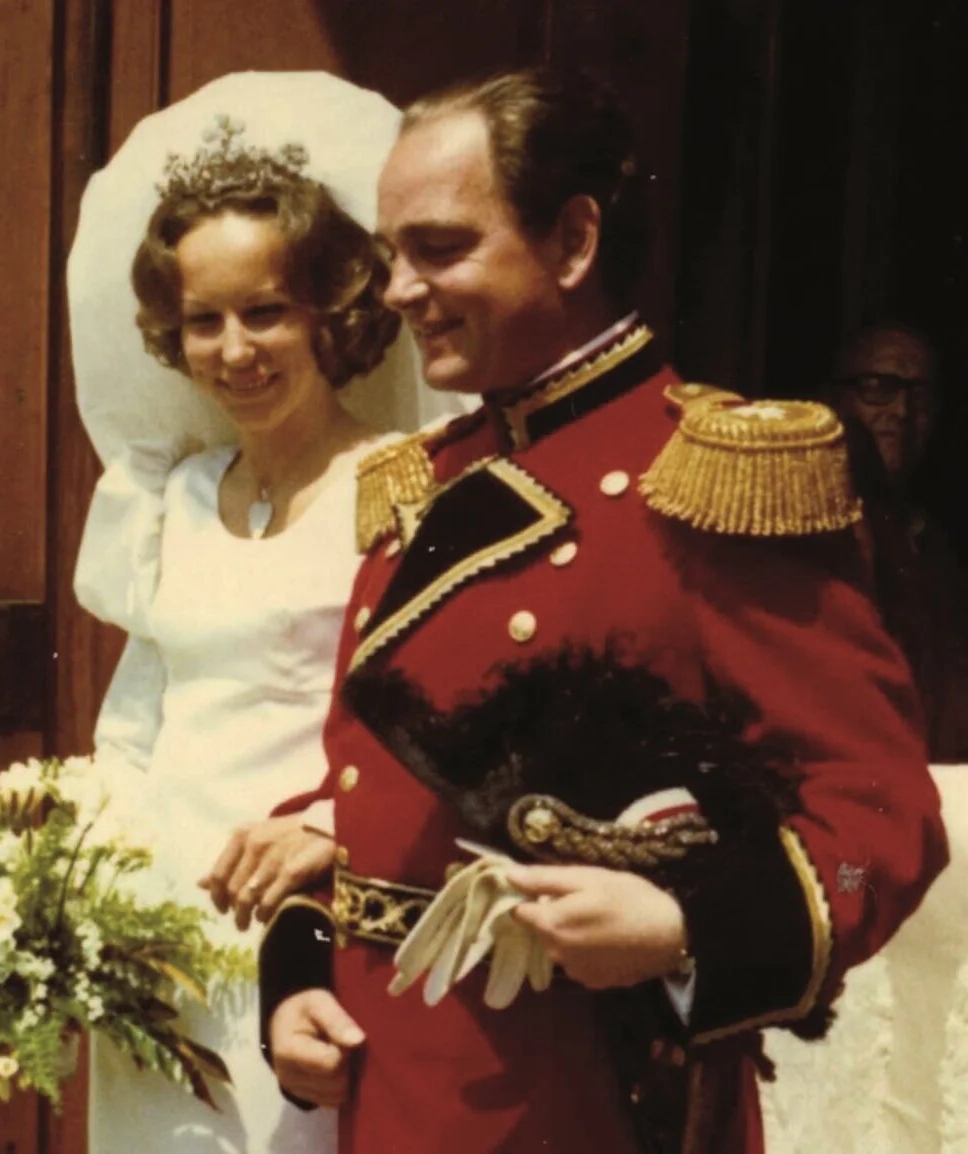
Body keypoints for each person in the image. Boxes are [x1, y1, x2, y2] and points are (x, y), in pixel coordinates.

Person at [259, 68, 948, 1154]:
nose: (396, 289)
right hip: (392, 1095)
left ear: (573, 242)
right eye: (392, 253)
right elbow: (373, 798)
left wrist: (686, 924)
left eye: (439, 249)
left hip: (587, 1106)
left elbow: (882, 821)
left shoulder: (707, 480)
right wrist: (296, 973)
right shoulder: (426, 481)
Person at [68, 72, 466, 1154]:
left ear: (330, 314)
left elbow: (443, 722)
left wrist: (335, 834)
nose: (234, 350)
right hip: (160, 928)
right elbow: (135, 720)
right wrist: (82, 883)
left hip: (314, 905)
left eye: (265, 311)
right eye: (203, 320)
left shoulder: (399, 486)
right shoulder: (173, 498)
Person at [824, 322, 968, 762]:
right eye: (877, 389)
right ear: (835, 399)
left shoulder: (938, 547)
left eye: (919, 397)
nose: (901, 412)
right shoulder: (805, 533)